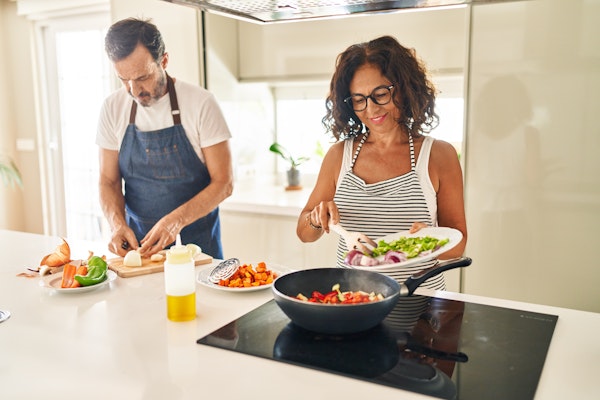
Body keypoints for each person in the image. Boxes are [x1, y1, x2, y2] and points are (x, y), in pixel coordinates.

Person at [297, 36, 467, 289]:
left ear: (405, 88)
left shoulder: (439, 155)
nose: (371, 109)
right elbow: (304, 233)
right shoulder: (338, 156)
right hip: (353, 300)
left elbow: (458, 247)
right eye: (359, 99)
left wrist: (429, 241)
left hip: (420, 301)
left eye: (380, 94)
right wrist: (315, 218)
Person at [97, 17, 233, 259]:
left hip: (198, 250)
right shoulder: (112, 107)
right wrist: (117, 224)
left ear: (164, 61)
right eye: (124, 80)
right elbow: (108, 181)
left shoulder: (201, 103)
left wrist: (175, 221)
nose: (134, 90)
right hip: (139, 251)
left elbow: (224, 183)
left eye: (142, 77)